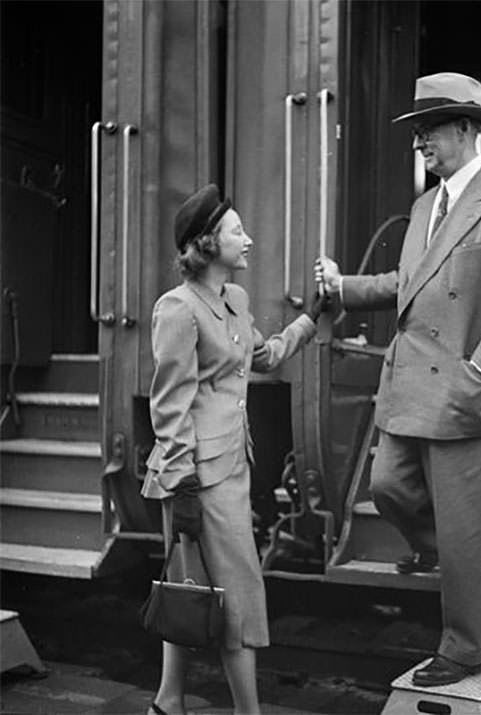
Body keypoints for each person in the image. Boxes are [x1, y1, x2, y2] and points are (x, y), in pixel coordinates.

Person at [315, 72, 481, 686]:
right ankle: (439, 551)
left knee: (469, 533)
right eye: (416, 131)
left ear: (467, 129)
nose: (419, 141)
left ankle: (464, 649)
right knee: (389, 487)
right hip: (411, 390)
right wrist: (345, 288)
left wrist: (480, 369)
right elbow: (408, 284)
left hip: (469, 396)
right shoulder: (425, 205)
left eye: (428, 129)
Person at [142, 184, 326, 715]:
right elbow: (169, 405)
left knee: (191, 585)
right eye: (236, 232)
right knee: (235, 595)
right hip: (197, 473)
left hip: (229, 464)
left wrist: (309, 321)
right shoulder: (176, 309)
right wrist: (185, 486)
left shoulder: (234, 300)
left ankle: (168, 700)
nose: (248, 240)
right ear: (206, 243)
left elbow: (261, 357)